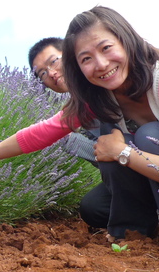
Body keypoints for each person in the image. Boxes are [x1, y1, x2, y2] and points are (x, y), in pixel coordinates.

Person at [0, 6, 159, 250]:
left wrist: (122, 152)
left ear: (127, 40)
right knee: (94, 204)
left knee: (146, 136)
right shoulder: (98, 96)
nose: (100, 64)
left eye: (106, 48)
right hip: (153, 174)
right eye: (87, 59)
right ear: (77, 66)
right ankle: (136, 235)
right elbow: (41, 133)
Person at [29, 37, 111, 226]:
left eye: (53, 61)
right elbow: (37, 135)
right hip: (125, 168)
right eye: (42, 73)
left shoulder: (102, 81)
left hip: (157, 156)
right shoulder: (75, 107)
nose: (51, 73)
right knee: (93, 207)